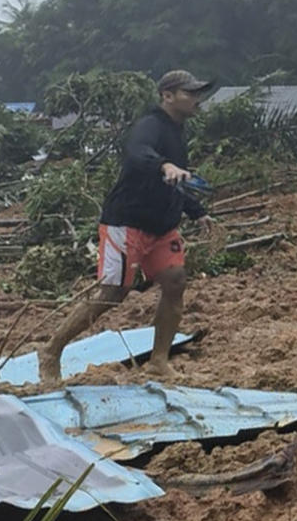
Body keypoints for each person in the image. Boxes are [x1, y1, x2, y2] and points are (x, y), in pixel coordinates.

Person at [38, 70, 216, 383]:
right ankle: (51, 351)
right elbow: (137, 154)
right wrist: (164, 164)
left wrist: (197, 211)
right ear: (168, 96)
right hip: (127, 222)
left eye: (197, 93)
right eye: (189, 93)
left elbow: (174, 181)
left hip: (162, 226)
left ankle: (159, 360)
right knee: (112, 293)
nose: (196, 99)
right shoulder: (150, 124)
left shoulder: (178, 130)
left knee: (175, 282)